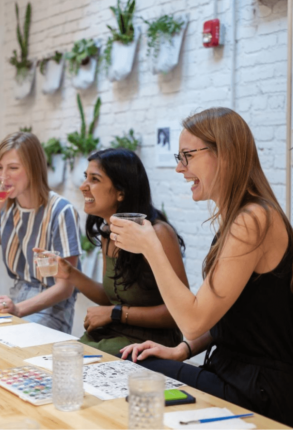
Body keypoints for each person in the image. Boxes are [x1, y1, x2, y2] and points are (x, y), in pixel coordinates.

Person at [111, 108, 293, 430]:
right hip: (234, 377)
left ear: (226, 155)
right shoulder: (242, 217)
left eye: (187, 156)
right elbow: (224, 318)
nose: (179, 168)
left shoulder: (253, 220)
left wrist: (151, 247)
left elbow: (192, 320)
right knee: (139, 368)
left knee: (137, 378)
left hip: (259, 394)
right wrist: (181, 350)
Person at [37, 148, 188, 355]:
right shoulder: (109, 233)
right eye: (85, 178)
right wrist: (70, 273)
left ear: (121, 192)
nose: (83, 186)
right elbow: (113, 298)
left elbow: (179, 312)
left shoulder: (159, 233)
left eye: (95, 179)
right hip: (113, 334)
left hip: (150, 343)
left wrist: (115, 313)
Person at [0, 132, 82, 334]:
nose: (3, 177)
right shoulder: (5, 210)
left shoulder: (61, 211)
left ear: (33, 168)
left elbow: (66, 287)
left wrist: (18, 309)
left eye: (13, 168)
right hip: (16, 299)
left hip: (52, 310)